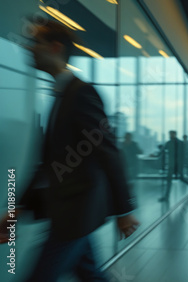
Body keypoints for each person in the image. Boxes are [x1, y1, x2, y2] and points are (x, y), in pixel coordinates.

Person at [0, 21, 139, 281]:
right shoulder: (61, 94)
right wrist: (17, 207)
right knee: (90, 274)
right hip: (67, 212)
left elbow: (107, 152)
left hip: (75, 216)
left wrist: (125, 209)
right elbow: (47, 164)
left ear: (55, 47)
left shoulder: (82, 93)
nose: (29, 48)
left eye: (35, 43)